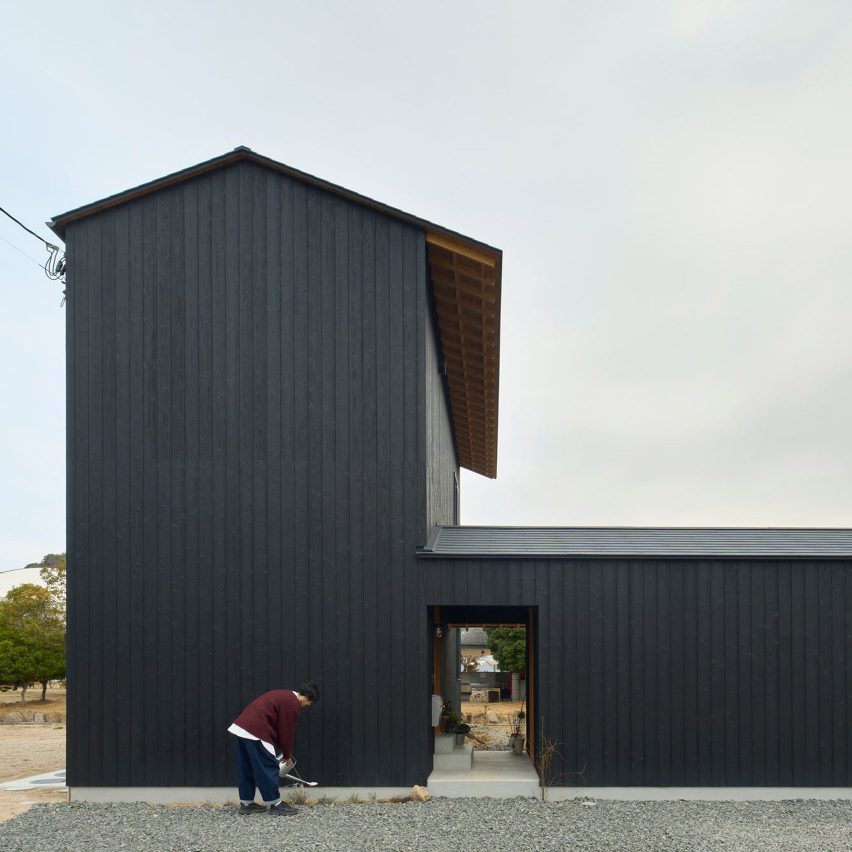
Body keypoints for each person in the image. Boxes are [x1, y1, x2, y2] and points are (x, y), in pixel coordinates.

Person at [227, 681, 320, 815]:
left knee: (246, 768)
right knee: (268, 767)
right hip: (257, 731)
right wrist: (287, 755)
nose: (307, 706)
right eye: (309, 704)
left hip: (242, 728)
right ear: (308, 698)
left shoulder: (283, 695)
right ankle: (275, 804)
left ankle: (247, 803)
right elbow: (285, 731)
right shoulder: (292, 703)